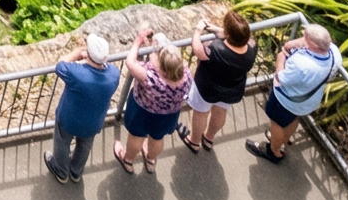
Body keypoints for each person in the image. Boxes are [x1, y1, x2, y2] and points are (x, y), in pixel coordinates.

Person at [248, 24, 339, 165]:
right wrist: (293, 44)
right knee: (292, 119)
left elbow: (281, 78)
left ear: (312, 44)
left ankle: (274, 151)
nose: (302, 38)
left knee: (276, 122)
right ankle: (283, 141)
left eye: (305, 37)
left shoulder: (301, 64)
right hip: (306, 102)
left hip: (285, 101)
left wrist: (280, 59)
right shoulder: (334, 53)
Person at [44, 33, 120, 185]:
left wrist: (77, 53)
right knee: (85, 146)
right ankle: (76, 171)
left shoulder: (77, 73)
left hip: (69, 119)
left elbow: (60, 65)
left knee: (62, 142)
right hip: (93, 122)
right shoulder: (114, 74)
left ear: (88, 54)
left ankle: (60, 170)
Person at [115, 31, 190, 175]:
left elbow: (130, 62)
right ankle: (151, 160)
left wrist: (138, 41)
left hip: (142, 113)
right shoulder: (185, 76)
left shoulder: (149, 76)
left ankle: (128, 160)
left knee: (137, 136)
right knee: (157, 137)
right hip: (168, 116)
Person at [187, 11, 256, 152]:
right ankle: (209, 138)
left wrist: (198, 31)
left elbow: (198, 50)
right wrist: (216, 29)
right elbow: (238, 40)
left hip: (207, 88)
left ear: (228, 35)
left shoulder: (216, 49)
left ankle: (194, 142)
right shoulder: (252, 48)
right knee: (220, 112)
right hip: (231, 90)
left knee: (201, 113)